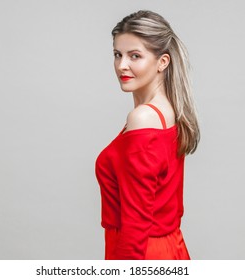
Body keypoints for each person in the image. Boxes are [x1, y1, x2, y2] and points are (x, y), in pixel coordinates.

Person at [95, 10, 200, 260]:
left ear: (162, 62)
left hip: (141, 253)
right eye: (117, 55)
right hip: (165, 248)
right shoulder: (167, 112)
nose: (122, 65)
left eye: (135, 56)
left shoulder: (143, 119)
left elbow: (136, 221)